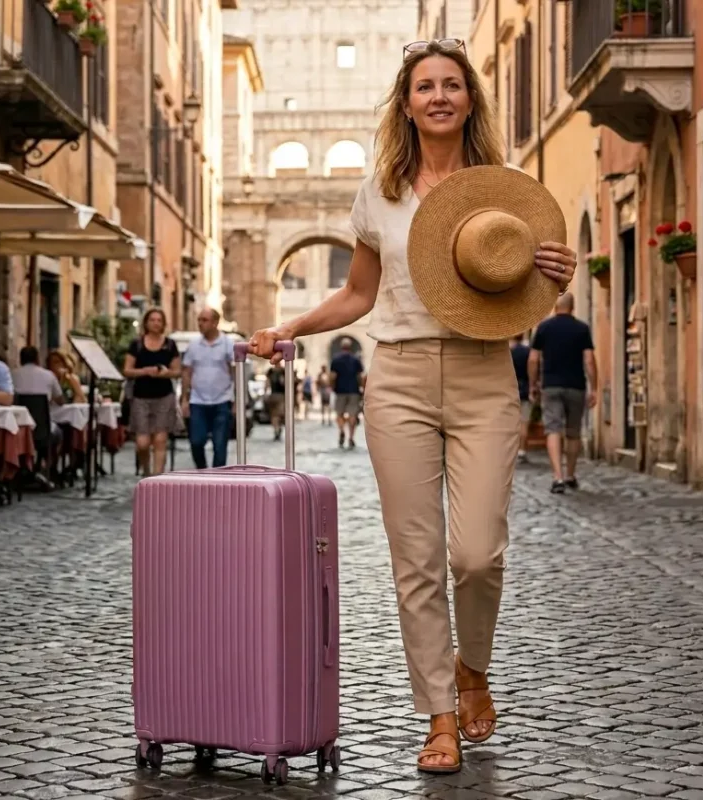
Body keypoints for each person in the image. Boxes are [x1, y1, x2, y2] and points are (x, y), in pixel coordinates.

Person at [247, 38, 577, 774]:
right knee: (416, 561)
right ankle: (438, 718)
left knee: (477, 553)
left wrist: (555, 269)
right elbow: (360, 294)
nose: (438, 96)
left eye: (451, 85)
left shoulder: (505, 192)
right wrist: (291, 325)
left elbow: (533, 281)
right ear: (406, 103)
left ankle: (473, 667)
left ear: (468, 100)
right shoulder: (380, 192)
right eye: (424, 85)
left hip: (482, 374)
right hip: (394, 378)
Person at [528, 292, 597, 493]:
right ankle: (570, 475)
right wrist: (595, 388)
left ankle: (557, 477)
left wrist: (533, 384)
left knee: (553, 429)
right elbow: (590, 361)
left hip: (551, 386)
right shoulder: (582, 329)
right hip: (576, 385)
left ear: (554, 306)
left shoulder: (544, 328)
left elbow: (533, 359)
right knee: (573, 432)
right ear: (572, 307)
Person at [123, 308, 181, 477]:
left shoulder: (170, 345)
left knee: (160, 440)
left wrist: (166, 373)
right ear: (146, 323)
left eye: (159, 320)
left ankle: (157, 480)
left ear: (163, 324)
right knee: (142, 442)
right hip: (141, 397)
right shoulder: (137, 344)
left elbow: (177, 371)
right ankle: (146, 471)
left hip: (164, 396)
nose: (156, 323)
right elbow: (127, 370)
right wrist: (145, 371)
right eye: (152, 320)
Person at [181, 308, 235, 469]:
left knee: (220, 445)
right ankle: (202, 471)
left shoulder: (227, 344)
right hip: (198, 400)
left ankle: (218, 479)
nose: (200, 323)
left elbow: (235, 372)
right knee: (196, 441)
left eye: (204, 320)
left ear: (215, 323)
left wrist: (237, 400)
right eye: (199, 320)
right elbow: (187, 372)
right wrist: (184, 399)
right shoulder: (193, 345)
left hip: (222, 400)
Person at [329, 339, 365, 449]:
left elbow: (332, 376)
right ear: (350, 347)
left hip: (340, 391)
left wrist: (332, 387)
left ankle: (341, 430)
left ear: (341, 347)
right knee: (353, 415)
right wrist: (362, 388)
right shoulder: (356, 360)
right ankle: (351, 437)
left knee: (339, 414)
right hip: (354, 391)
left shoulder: (336, 360)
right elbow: (360, 377)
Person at [510, 334, 532, 463]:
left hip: (509, 389)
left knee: (510, 423)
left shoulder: (507, 352)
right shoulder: (527, 351)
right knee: (524, 422)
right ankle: (522, 450)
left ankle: (510, 450)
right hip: (524, 389)